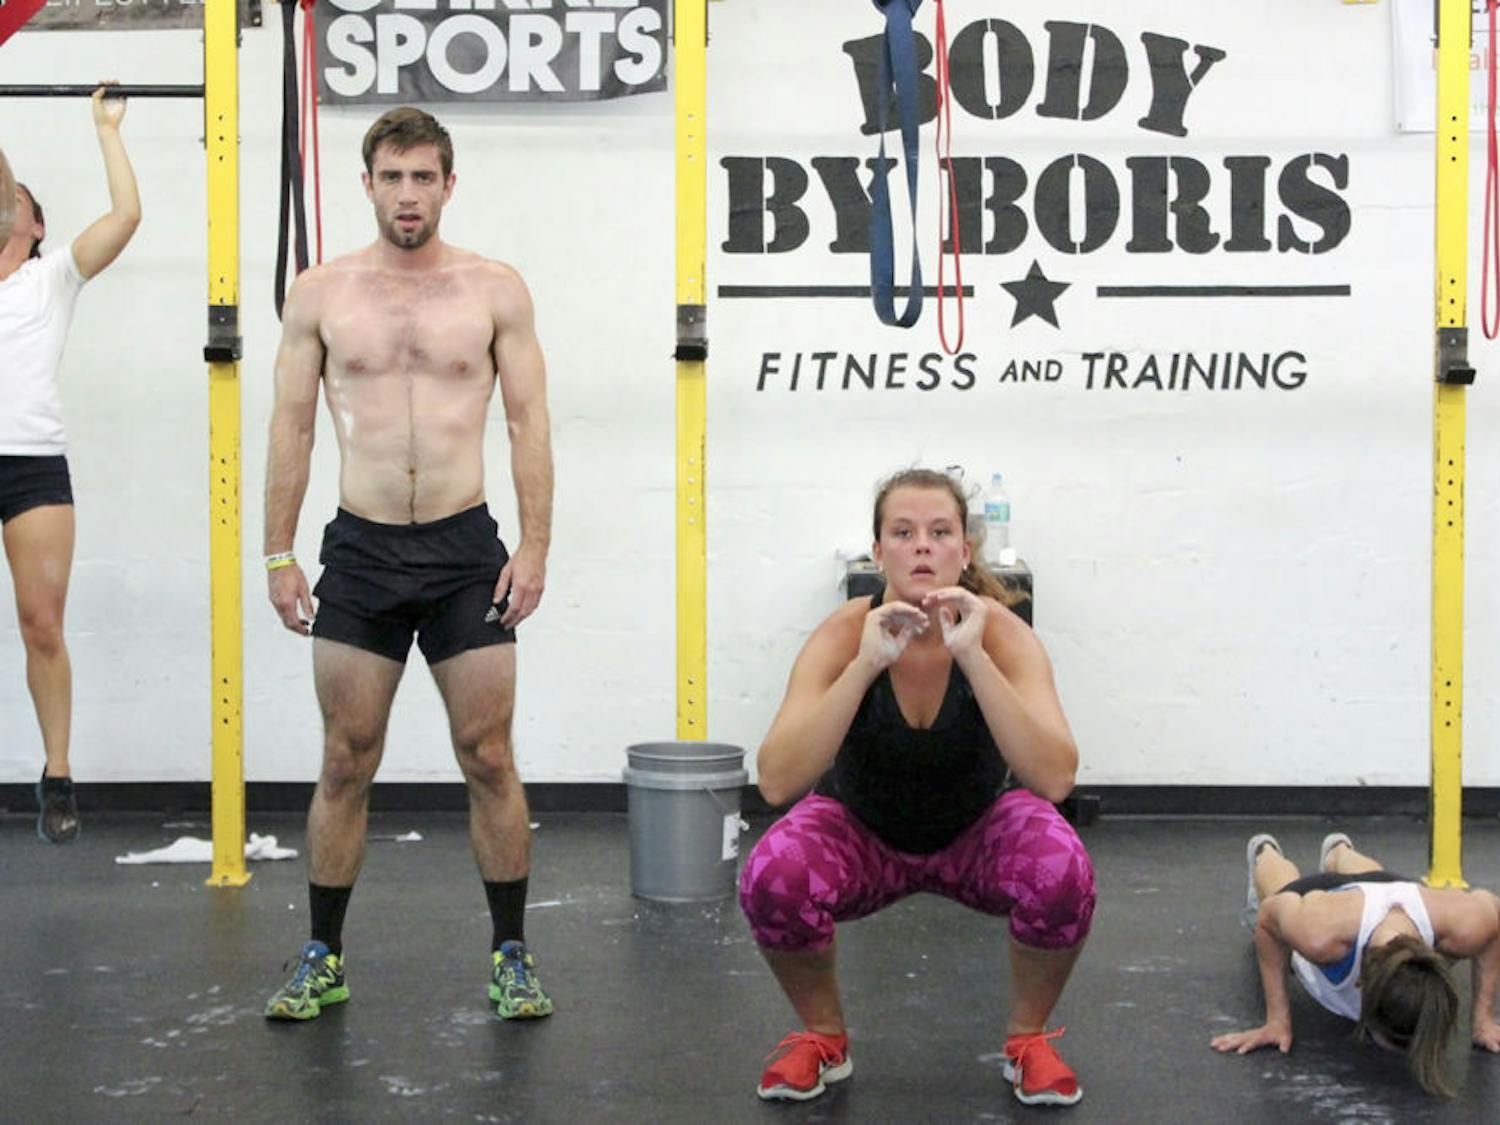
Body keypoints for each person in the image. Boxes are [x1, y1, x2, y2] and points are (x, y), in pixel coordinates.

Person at [261, 107, 555, 1023]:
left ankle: (511, 953)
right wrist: (278, 550)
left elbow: (527, 423)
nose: (408, 194)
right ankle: (322, 955)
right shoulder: (320, 292)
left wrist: (536, 545)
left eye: (424, 177)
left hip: (467, 549)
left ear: (448, 184)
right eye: (392, 177)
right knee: (346, 759)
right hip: (363, 547)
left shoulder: (495, 288)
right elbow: (293, 427)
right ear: (368, 185)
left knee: (489, 753)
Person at [739, 467, 1096, 1106]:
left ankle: (1028, 1041)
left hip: (976, 833)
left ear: (964, 549)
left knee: (1063, 868)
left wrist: (973, 657)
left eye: (939, 532)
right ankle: (823, 1038)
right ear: (878, 553)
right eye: (903, 532)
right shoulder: (843, 635)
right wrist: (866, 664)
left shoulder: (1007, 637)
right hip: (862, 833)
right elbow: (776, 780)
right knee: (773, 873)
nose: (922, 546)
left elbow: (1055, 776)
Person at [0, 89, 140, 844]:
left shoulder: (50, 279)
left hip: (31, 466)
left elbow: (124, 218)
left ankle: (56, 773)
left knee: (41, 623)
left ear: (37, 223)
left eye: (15, 199)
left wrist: (105, 129)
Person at [1212, 831, 1500, 1097]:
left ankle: (1339, 852)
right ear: (1361, 986)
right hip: (1322, 901)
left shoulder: (1466, 925)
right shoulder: (1318, 936)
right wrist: (1277, 1021)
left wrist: (1482, 1020)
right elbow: (1268, 919)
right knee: (1279, 888)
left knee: (1371, 876)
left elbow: (1493, 915)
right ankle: (1265, 851)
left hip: (1393, 889)